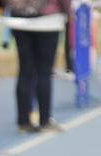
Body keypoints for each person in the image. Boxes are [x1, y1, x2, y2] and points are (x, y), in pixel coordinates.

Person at [6, 0, 70, 133]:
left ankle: (23, 121)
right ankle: (45, 121)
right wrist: (68, 12)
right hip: (48, 20)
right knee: (44, 71)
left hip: (19, 18)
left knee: (25, 70)